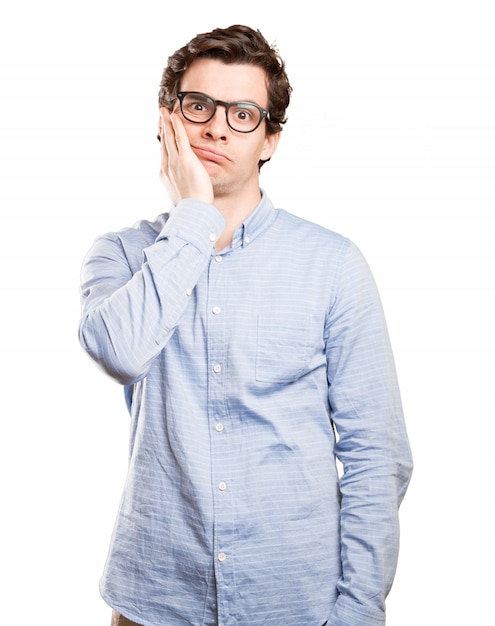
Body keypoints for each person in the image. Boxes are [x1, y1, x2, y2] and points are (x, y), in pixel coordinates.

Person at [79, 24, 413, 626]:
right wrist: (193, 217)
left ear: (271, 140)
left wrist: (360, 610)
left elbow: (375, 456)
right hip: (155, 601)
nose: (215, 127)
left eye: (243, 114)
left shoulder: (334, 264)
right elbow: (121, 352)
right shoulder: (121, 255)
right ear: (168, 118)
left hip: (294, 602)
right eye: (198, 105)